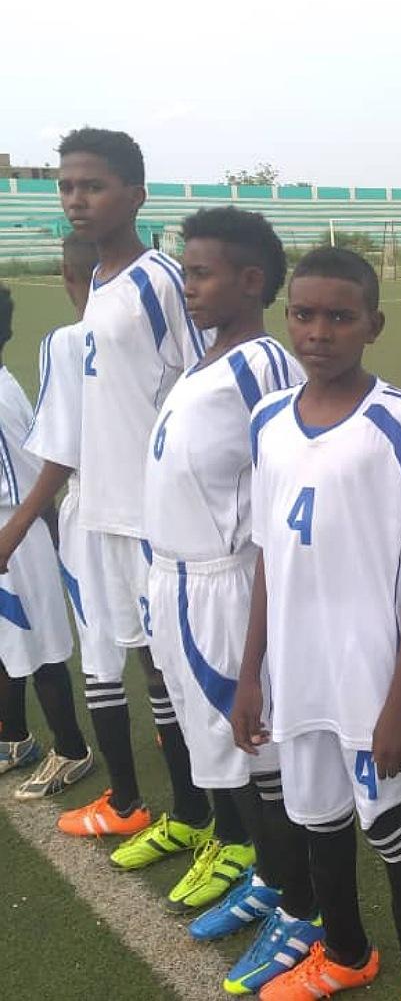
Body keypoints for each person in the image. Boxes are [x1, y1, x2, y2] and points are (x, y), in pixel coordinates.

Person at [232, 247, 401, 1001]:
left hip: (370, 678)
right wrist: (250, 676)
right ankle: (346, 953)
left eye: (339, 316)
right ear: (286, 317)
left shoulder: (397, 421)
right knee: (318, 821)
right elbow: (268, 553)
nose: (318, 332)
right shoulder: (268, 420)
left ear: (373, 324)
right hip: (297, 673)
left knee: (392, 830)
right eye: (304, 315)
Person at [0, 127, 211, 862]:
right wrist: (24, 525)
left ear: (135, 195)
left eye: (92, 185)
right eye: (66, 186)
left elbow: (204, 383)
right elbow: (81, 425)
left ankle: (206, 816)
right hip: (105, 513)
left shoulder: (160, 280)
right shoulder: (97, 288)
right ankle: (157, 807)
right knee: (129, 659)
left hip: (159, 518)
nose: (75, 199)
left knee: (170, 668)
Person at [141, 207, 316, 951]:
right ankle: (270, 877)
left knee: (259, 753)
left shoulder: (262, 364)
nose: (188, 285)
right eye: (186, 271)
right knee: (222, 752)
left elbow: (293, 468)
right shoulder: (203, 361)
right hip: (175, 582)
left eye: (201, 273)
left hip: (228, 584)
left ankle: (302, 906)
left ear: (250, 281)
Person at [0, 279, 94, 798]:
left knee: (41, 650)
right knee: (9, 644)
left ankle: (72, 749)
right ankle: (14, 737)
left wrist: (41, 535)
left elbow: (28, 476)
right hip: (12, 535)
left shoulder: (0, 395)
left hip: (16, 538)